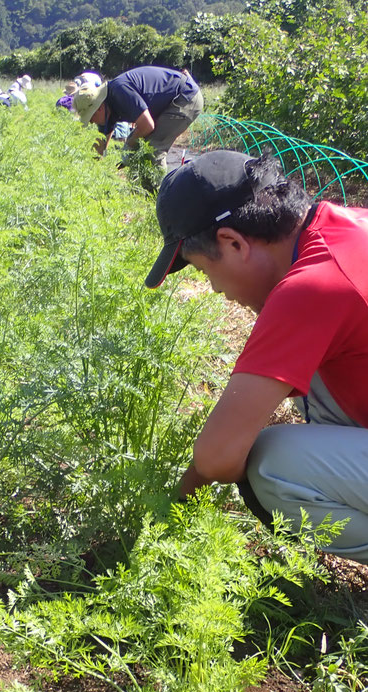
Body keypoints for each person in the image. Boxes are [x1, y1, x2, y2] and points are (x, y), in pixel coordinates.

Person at [145, 149, 368, 564]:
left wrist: (168, 514)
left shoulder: (312, 286)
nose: (213, 289)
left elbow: (218, 455)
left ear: (232, 242)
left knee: (271, 464)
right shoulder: (345, 228)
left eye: (202, 270)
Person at [73, 65, 203, 169]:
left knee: (152, 149)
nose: (91, 122)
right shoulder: (106, 107)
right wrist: (91, 167)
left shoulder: (120, 91)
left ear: (98, 108)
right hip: (170, 101)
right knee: (140, 145)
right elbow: (101, 144)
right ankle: (145, 191)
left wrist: (128, 147)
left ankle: (158, 197)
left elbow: (147, 126)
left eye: (90, 118)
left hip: (185, 97)